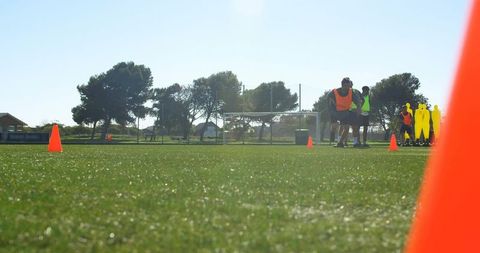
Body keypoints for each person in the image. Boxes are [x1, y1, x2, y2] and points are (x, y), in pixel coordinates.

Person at [328, 77, 362, 147]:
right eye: (346, 86)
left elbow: (358, 102)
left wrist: (359, 108)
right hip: (335, 111)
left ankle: (340, 143)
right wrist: (331, 110)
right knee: (334, 127)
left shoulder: (351, 92)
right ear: (342, 85)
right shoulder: (334, 92)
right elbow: (328, 100)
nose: (348, 87)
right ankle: (332, 133)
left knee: (346, 128)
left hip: (345, 112)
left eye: (349, 86)